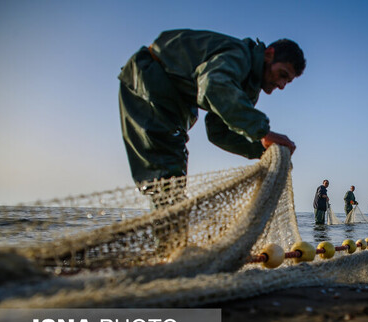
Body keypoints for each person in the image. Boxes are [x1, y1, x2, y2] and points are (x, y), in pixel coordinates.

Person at [118, 29, 306, 208]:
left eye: (287, 82)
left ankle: (172, 238)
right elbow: (213, 84)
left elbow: (218, 132)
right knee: (166, 174)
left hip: (174, 100)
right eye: (282, 74)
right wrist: (263, 132)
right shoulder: (239, 55)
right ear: (269, 54)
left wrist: (261, 149)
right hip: (149, 78)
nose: (281, 85)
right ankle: (170, 240)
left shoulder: (248, 89)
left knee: (173, 175)